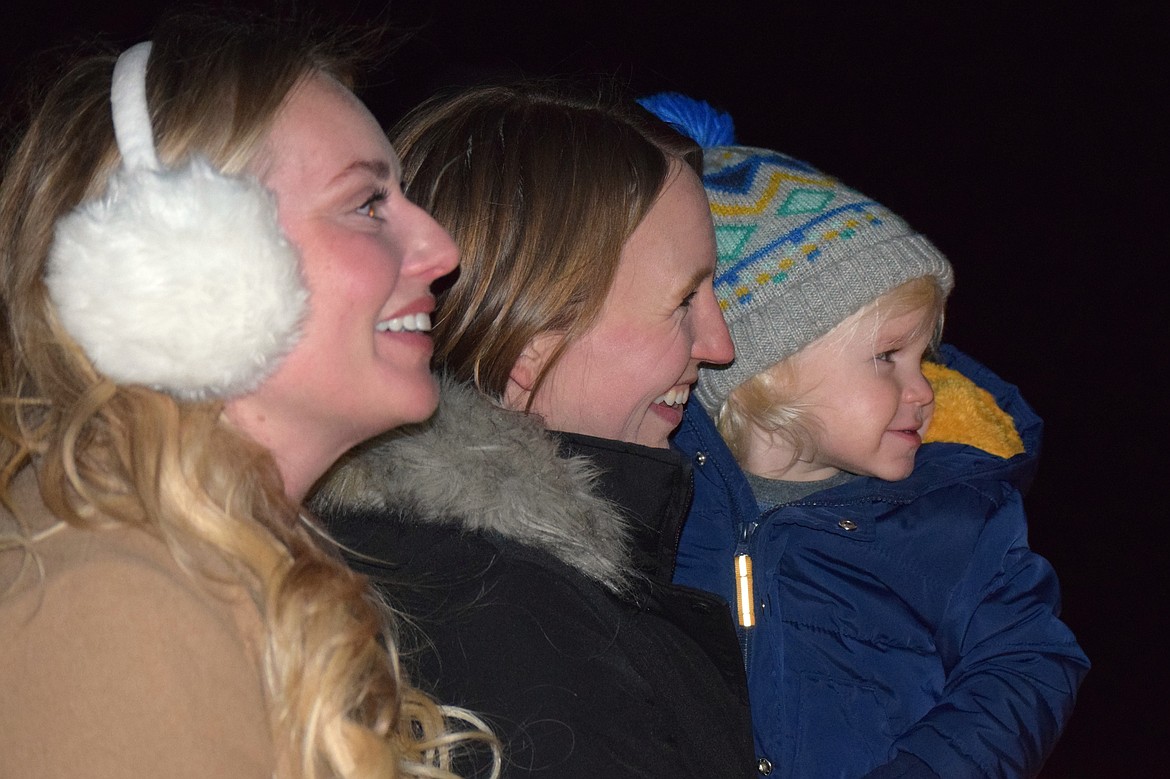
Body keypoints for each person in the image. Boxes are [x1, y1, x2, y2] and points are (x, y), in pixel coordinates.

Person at [0, 13, 493, 778]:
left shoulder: (202, 574)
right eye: (367, 204)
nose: (441, 250)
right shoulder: (112, 609)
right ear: (188, 256)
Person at [635, 94, 1091, 778]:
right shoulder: (653, 489)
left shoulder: (954, 514)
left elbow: (1031, 660)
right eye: (888, 357)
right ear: (768, 368)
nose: (924, 390)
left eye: (923, 357)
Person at [309, 83, 756, 777]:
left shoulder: (505, 582)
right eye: (683, 300)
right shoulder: (514, 633)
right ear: (527, 333)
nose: (720, 344)